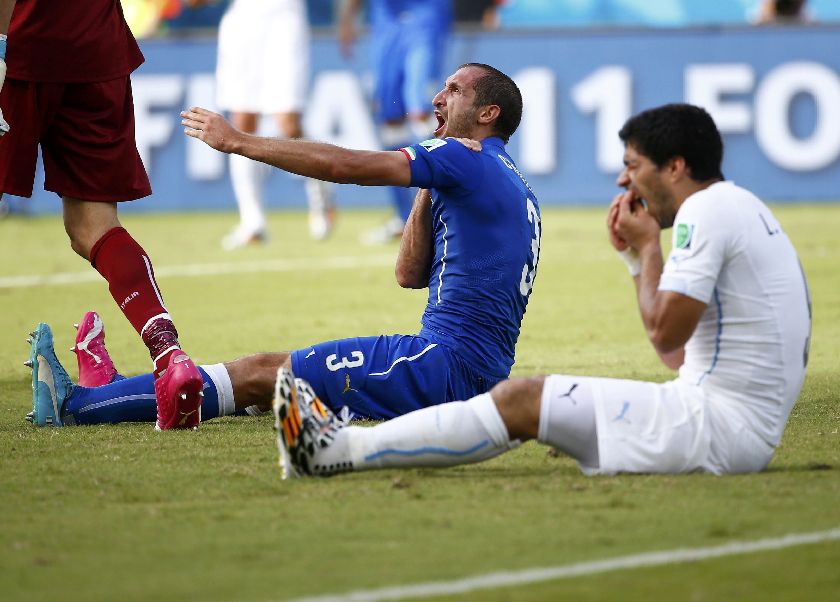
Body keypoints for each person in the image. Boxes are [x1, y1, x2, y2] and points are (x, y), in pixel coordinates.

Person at [274, 103, 812, 479]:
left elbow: (664, 329)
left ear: (675, 167)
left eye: (633, 167)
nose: (626, 184)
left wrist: (650, 250)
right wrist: (633, 256)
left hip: (713, 428)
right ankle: (335, 448)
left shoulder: (704, 210)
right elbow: (673, 353)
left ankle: (336, 451)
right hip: (729, 425)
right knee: (526, 402)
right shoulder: (742, 206)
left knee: (521, 399)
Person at [27, 63, 543, 432]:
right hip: (469, 373)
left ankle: (78, 405)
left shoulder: (463, 158)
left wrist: (240, 142)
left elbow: (345, 166)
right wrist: (431, 181)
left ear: (486, 113)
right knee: (270, 382)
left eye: (453, 90)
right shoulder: (512, 184)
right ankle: (115, 391)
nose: (437, 98)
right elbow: (409, 273)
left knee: (257, 375)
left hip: (440, 368)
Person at [1, 0, 203, 430]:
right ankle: (168, 352)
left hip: (21, 46)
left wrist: (1, 46)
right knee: (93, 225)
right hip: (95, 49)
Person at [198, 0, 336, 248]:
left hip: (284, 16)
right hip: (242, 20)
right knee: (242, 123)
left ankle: (321, 196)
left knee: (288, 122)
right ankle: (252, 222)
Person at [339, 0, 453, 244]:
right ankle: (406, 218)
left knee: (420, 108)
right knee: (390, 119)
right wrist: (347, 18)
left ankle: (443, 214)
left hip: (425, 13)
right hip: (386, 19)